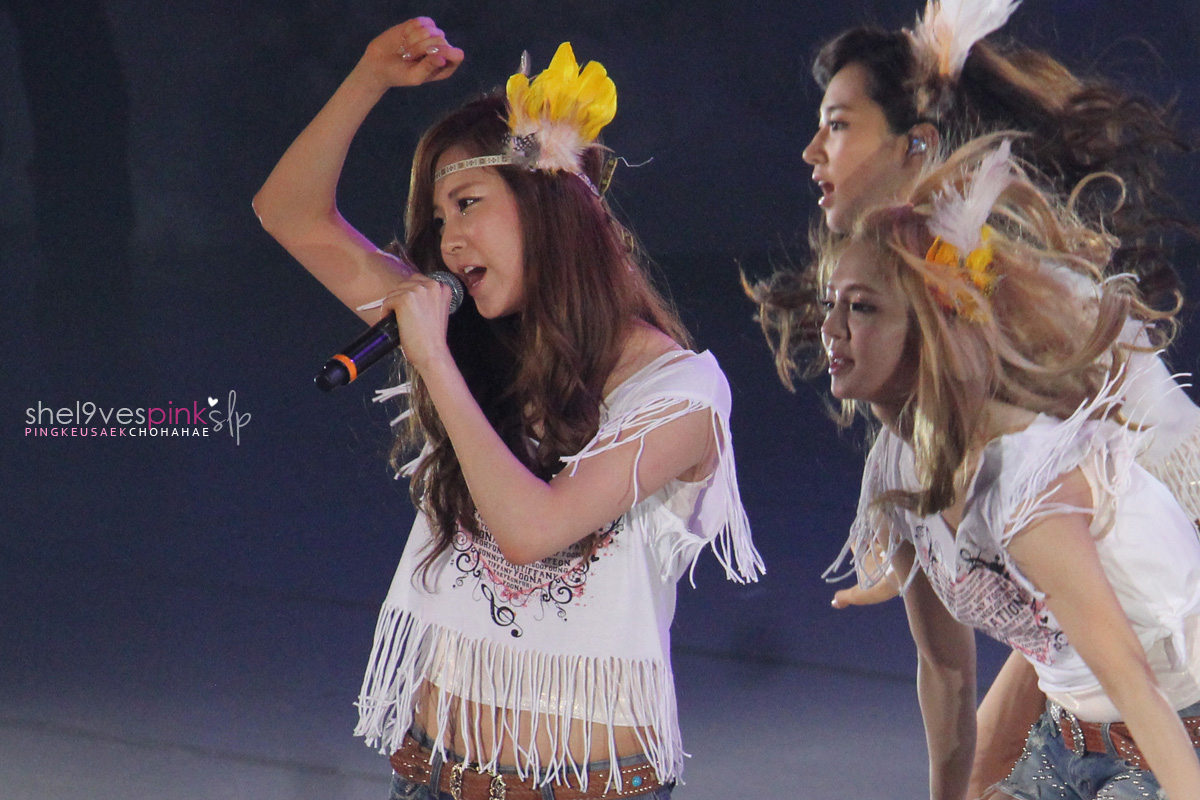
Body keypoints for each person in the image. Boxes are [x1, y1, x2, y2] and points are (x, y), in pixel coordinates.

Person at [252, 18, 762, 800]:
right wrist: (368, 78)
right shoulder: (469, 339)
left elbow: (532, 531)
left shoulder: (681, 392)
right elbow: (289, 212)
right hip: (433, 774)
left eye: (467, 204)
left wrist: (433, 360)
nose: (449, 241)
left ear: (546, 203)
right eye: (438, 220)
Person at [748, 1, 1200, 793]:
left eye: (839, 125)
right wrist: (918, 534)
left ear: (916, 144)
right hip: (1078, 582)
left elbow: (1075, 508)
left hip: (1156, 564)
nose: (814, 149)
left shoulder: (998, 287)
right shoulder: (912, 270)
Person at [819, 137, 1200, 799]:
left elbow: (1136, 686)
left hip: (1172, 734)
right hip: (1067, 741)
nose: (830, 328)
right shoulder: (898, 469)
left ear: (932, 326)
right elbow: (946, 673)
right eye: (831, 302)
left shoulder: (1025, 485)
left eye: (861, 306)